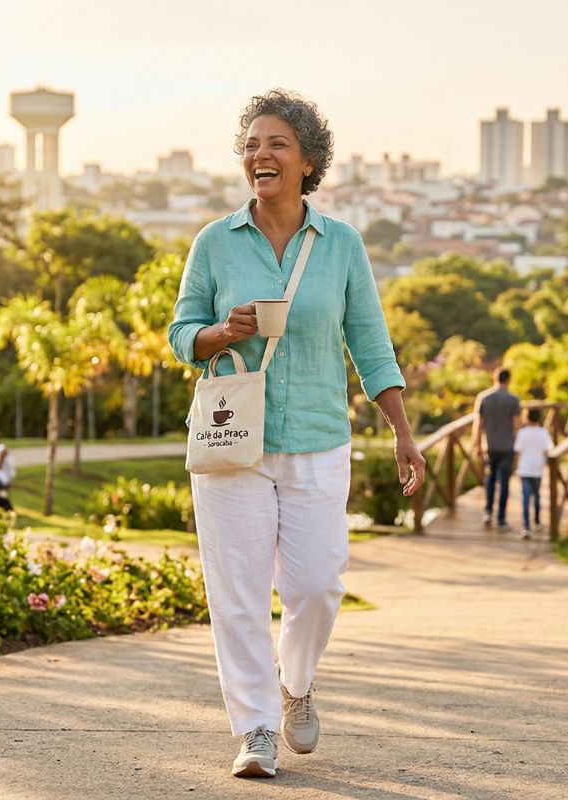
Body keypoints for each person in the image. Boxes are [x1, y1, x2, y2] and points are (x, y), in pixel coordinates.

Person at [167, 89, 425, 780]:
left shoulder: (339, 244)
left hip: (317, 436)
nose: (260, 154)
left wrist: (402, 431)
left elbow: (370, 344)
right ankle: (254, 728)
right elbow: (180, 333)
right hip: (231, 440)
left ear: (309, 160)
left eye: (276, 143)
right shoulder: (214, 243)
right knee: (238, 591)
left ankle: (297, 684)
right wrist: (222, 332)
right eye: (251, 144)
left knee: (316, 585)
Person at [474, 367, 521, 531]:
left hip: (490, 446)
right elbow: (516, 427)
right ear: (508, 380)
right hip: (507, 447)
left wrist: (478, 445)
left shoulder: (484, 398)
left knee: (491, 479)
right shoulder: (513, 400)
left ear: (495, 378)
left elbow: (478, 425)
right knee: (505, 482)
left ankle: (487, 512)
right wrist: (518, 449)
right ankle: (501, 520)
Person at [513, 408, 553, 540]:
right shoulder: (544, 433)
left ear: (527, 418)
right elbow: (548, 451)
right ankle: (537, 521)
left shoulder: (522, 433)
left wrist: (517, 466)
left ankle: (526, 527)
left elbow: (517, 452)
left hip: (524, 469)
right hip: (537, 468)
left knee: (525, 497)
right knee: (536, 495)